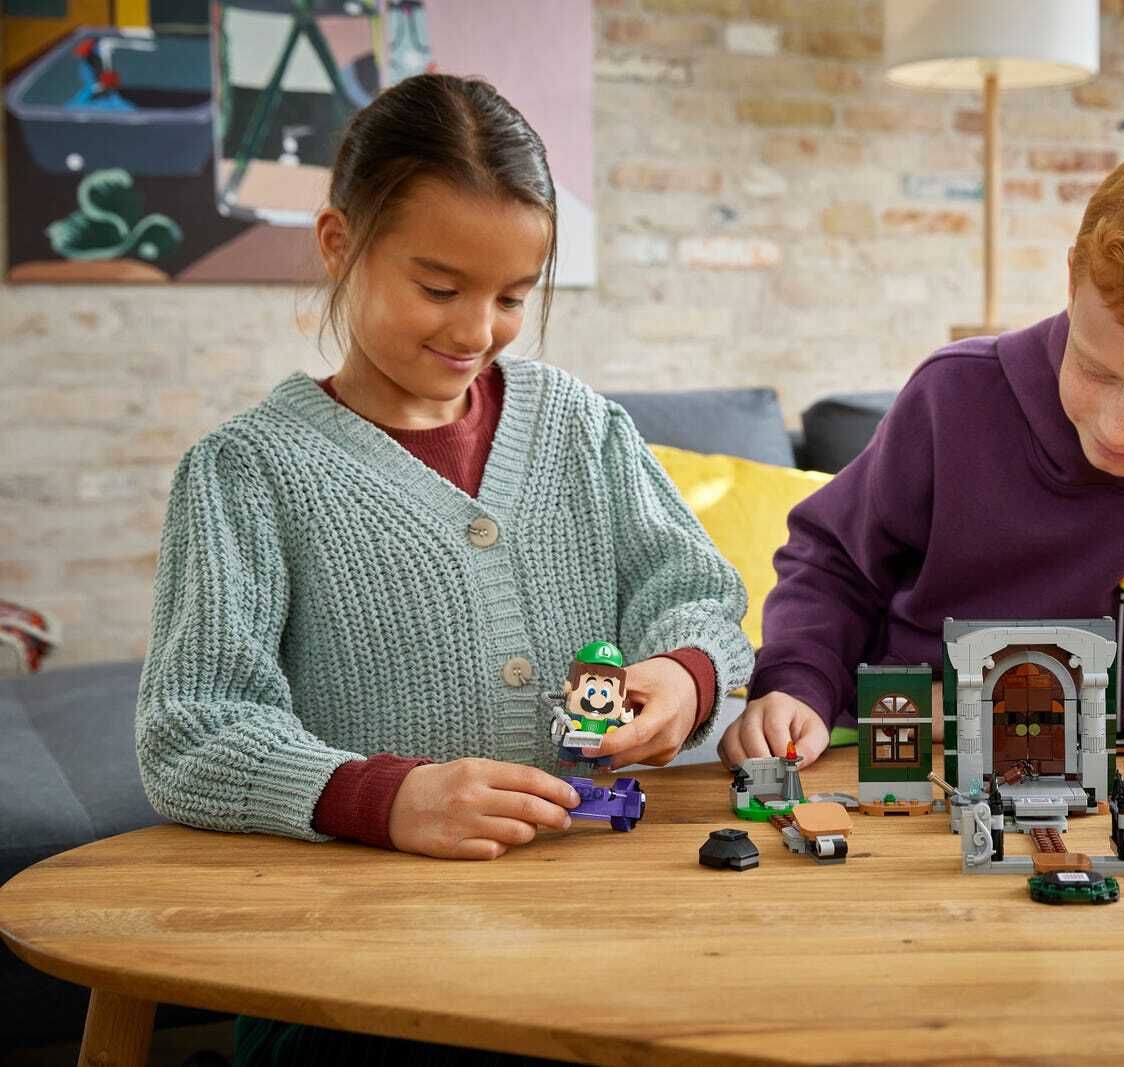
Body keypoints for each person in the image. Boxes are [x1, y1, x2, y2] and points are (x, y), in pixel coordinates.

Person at [135, 72, 752, 1064]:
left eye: (512, 297)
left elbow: (697, 591)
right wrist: (384, 798)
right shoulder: (246, 471)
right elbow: (193, 729)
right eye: (438, 288)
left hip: (595, 927)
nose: (475, 331)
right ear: (339, 244)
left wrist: (685, 673)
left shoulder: (581, 426)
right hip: (353, 971)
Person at [720, 135, 1124, 770]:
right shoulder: (953, 393)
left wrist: (979, 709)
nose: (1119, 428)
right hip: (894, 748)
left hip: (1120, 766)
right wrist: (798, 681)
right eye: (1096, 370)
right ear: (1072, 281)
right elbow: (834, 562)